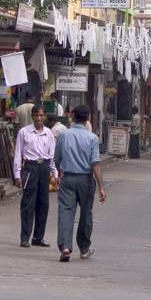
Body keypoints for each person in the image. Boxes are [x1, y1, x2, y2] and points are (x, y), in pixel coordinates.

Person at [54, 104, 106, 262]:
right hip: (85, 179)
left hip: (68, 178)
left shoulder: (64, 135)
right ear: (88, 118)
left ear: (73, 117)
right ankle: (84, 249)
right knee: (86, 214)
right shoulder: (92, 138)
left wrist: (59, 173)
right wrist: (101, 187)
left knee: (65, 212)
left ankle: (65, 247)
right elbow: (95, 163)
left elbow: (57, 159)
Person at [13, 104, 59, 248]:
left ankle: (38, 237)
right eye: (36, 115)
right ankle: (25, 237)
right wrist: (17, 175)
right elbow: (18, 154)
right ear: (32, 116)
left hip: (44, 168)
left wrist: (55, 173)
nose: (39, 118)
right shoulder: (24, 132)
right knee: (28, 203)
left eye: (41, 115)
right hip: (30, 168)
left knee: (43, 203)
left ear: (45, 117)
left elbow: (51, 155)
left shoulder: (49, 133)